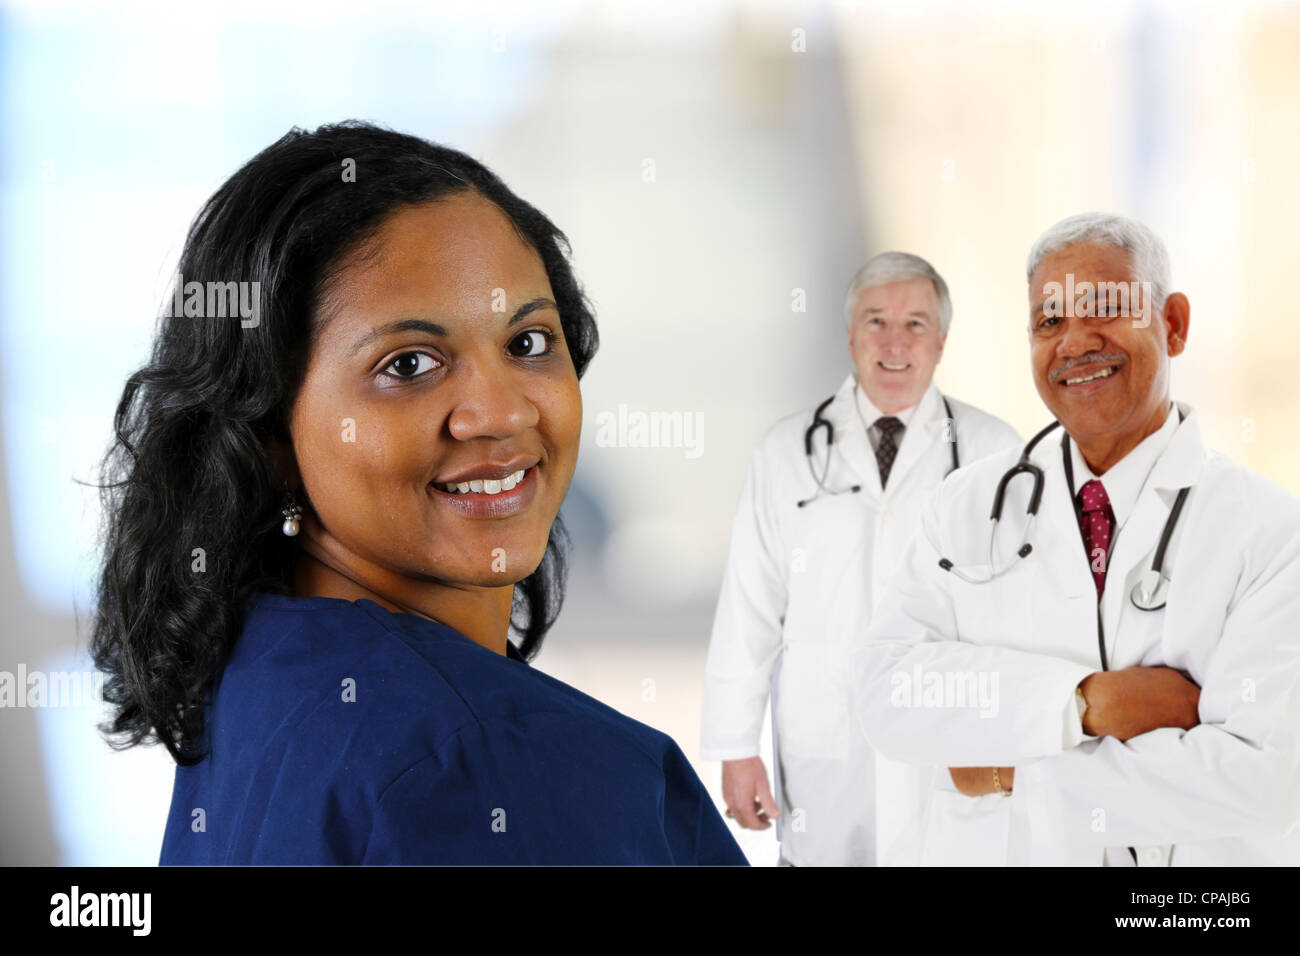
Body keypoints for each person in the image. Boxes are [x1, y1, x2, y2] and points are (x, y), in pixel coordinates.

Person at [91, 121, 747, 866]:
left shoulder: (260, 680)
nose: (501, 412)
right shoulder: (494, 761)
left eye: (528, 342)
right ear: (268, 436)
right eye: (407, 364)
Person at [855, 212, 1300, 865]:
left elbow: (1265, 775)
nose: (1076, 342)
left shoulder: (1269, 532)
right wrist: (1085, 704)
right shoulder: (965, 506)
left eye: (1105, 309)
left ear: (1173, 324)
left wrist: (1007, 772)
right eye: (1049, 321)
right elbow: (889, 693)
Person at [700, 252, 1021, 865]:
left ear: (942, 341)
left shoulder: (993, 452)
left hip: (946, 735)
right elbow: (750, 605)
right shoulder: (785, 451)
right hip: (825, 741)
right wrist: (737, 746)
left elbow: (1016, 614)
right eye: (876, 321)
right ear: (850, 335)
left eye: (916, 324)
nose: (895, 341)